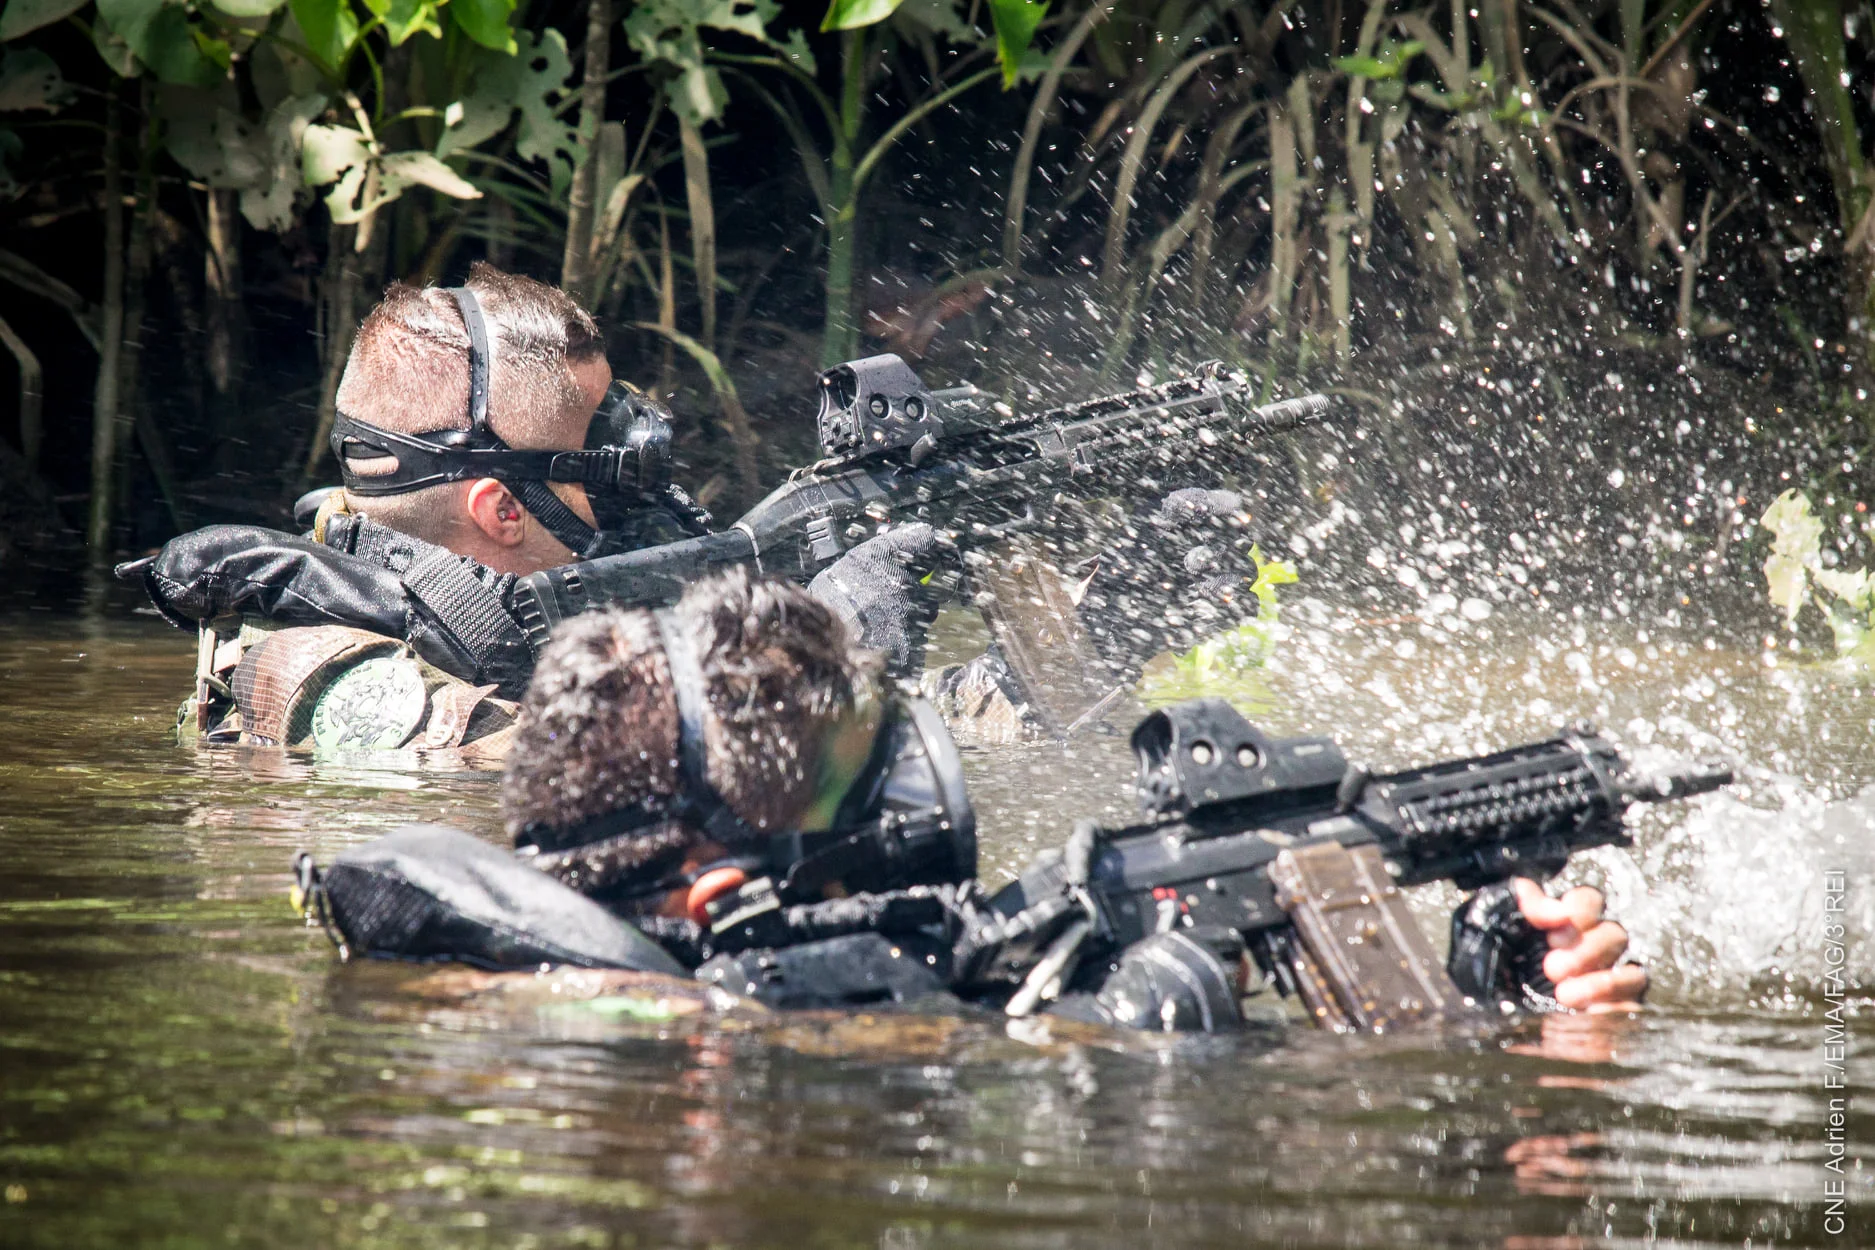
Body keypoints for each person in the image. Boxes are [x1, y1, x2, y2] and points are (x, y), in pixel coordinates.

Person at [298, 567, 1645, 1033]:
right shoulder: (737, 1029)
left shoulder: (501, 997)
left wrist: (1494, 986)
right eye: (866, 807)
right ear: (716, 886)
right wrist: (1161, 1009)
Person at [124, 264, 713, 757]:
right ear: (503, 511)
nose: (636, 511)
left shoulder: (453, 638)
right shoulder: (347, 684)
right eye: (606, 482)